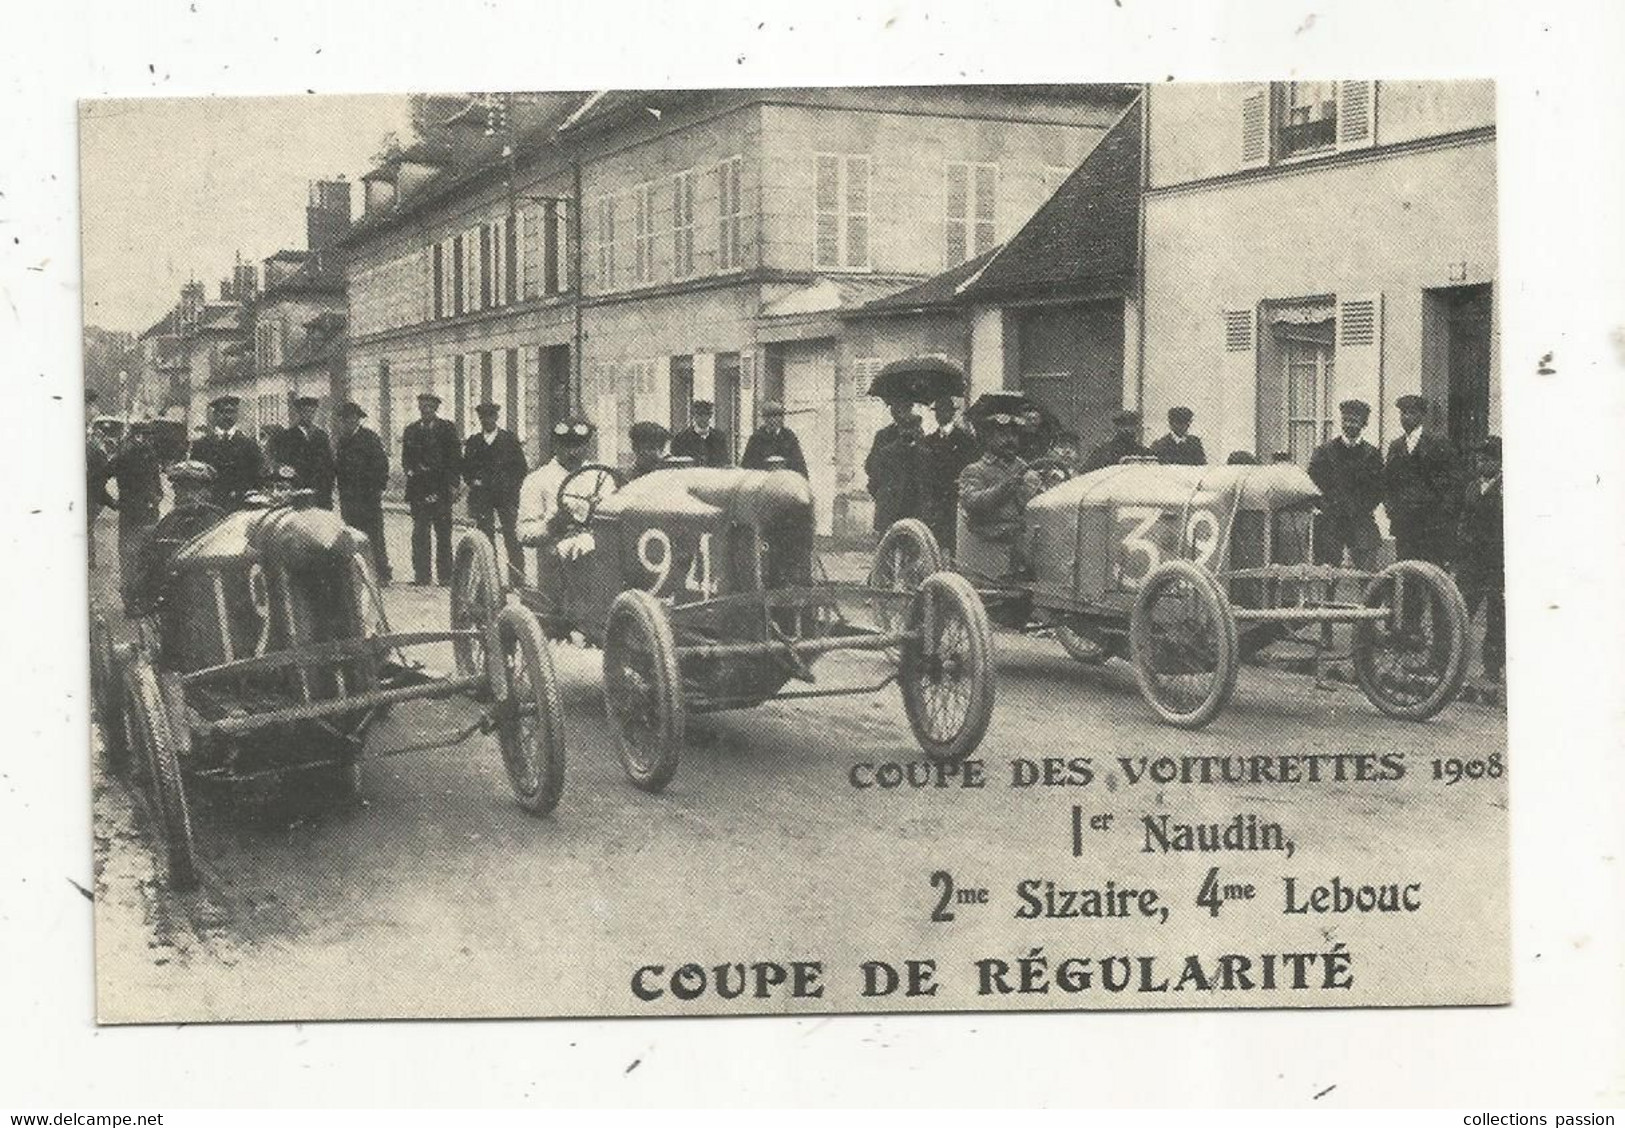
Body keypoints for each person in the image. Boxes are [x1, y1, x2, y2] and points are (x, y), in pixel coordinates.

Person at [129, 460, 223, 618]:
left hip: (216, 602)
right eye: (181, 489)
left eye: (195, 488)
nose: (188, 495)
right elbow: (148, 575)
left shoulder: (222, 524)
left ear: (208, 491)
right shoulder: (164, 528)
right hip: (176, 607)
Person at [958, 413, 1044, 575]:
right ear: (988, 437)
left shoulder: (1028, 470)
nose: (1010, 440)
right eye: (1003, 434)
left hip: (1026, 535)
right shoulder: (975, 470)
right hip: (992, 537)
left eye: (1014, 434)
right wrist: (1004, 488)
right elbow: (972, 502)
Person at [1307, 399, 1384, 570]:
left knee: (1368, 570)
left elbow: (1379, 488)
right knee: (1326, 572)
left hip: (1360, 518)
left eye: (1355, 421)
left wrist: (1362, 507)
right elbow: (1312, 485)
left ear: (1363, 424)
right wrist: (1328, 506)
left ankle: (1368, 596)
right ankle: (1327, 596)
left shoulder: (1372, 454)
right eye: (1346, 420)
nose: (1350, 425)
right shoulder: (1325, 452)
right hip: (1332, 519)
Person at [1384, 393, 1458, 568]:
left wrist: (1444, 513)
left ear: (1421, 416)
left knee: (1431, 571)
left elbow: (1453, 480)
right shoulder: (1396, 446)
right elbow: (1387, 482)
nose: (1406, 418)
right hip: (1404, 523)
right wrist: (1391, 508)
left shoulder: (1438, 443)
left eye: (1411, 413)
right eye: (1403, 413)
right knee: (1406, 570)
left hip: (1431, 523)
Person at [100, 421, 165, 613]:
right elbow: (97, 480)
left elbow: (157, 483)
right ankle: (132, 602)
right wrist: (112, 502)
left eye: (148, 436)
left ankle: (143, 600)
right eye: (144, 435)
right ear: (135, 435)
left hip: (147, 514)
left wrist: (157, 497)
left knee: (146, 556)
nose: (146, 440)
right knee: (131, 557)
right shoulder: (125, 456)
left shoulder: (149, 454)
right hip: (133, 515)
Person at [462, 401, 529, 586]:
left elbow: (521, 468)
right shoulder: (474, 442)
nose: (486, 421)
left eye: (490, 417)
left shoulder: (509, 440)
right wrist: (473, 481)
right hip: (482, 497)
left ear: (496, 418)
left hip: (506, 496)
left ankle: (517, 579)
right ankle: (490, 581)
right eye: (483, 418)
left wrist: (511, 486)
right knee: (485, 539)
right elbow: (466, 468)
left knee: (512, 537)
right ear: (480, 419)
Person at [1456, 436, 1504, 686]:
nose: (1481, 463)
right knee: (1462, 611)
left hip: (1496, 564)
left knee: (1497, 617)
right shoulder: (1472, 487)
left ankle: (1492, 669)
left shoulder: (1507, 489)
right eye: (1479, 459)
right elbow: (1463, 519)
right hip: (1471, 563)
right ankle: (1451, 666)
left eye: (1487, 459)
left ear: (1499, 461)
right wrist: (1463, 544)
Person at [401, 391, 461, 586]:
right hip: (418, 489)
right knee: (419, 533)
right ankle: (422, 576)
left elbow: (455, 459)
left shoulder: (447, 429)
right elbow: (406, 459)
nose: (425, 410)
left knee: (443, 533)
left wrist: (453, 485)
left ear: (436, 408)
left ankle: (445, 576)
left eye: (429, 407)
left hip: (441, 489)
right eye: (422, 407)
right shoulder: (411, 430)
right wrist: (410, 470)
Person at [334, 402, 392, 584]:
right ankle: (358, 573)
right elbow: (339, 468)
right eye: (343, 420)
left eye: (350, 419)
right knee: (352, 534)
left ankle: (382, 573)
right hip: (349, 497)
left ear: (357, 420)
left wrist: (376, 488)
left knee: (374, 535)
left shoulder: (370, 438)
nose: (346, 423)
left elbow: (381, 465)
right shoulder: (342, 441)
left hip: (368, 496)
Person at [919, 396, 979, 552]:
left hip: (955, 498)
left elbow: (971, 468)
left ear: (952, 413)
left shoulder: (965, 440)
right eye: (937, 411)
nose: (940, 415)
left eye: (944, 411)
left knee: (955, 541)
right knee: (935, 541)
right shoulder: (929, 440)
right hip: (936, 500)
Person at [190, 395, 264, 510]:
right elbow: (194, 477)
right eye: (223, 412)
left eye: (232, 412)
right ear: (215, 416)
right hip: (211, 504)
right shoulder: (201, 445)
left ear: (237, 415)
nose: (228, 416)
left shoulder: (249, 445)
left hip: (241, 504)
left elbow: (258, 476)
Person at [864, 397, 926, 533]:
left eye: (904, 408)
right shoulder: (883, 436)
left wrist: (915, 444)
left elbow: (924, 466)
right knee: (887, 549)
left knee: (913, 547)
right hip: (889, 505)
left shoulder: (919, 435)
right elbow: (870, 467)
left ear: (910, 409)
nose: (899, 412)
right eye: (895, 407)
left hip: (912, 504)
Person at [268, 396, 336, 508]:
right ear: (299, 413)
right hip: (297, 493)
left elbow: (329, 465)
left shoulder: (321, 436)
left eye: (312, 412)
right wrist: (288, 476)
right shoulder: (287, 436)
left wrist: (327, 487)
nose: (309, 415)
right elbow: (281, 464)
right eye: (305, 412)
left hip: (320, 493)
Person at [740, 400, 808, 476]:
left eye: (776, 416)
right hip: (763, 481)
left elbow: (799, 463)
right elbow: (746, 465)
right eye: (768, 417)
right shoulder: (756, 438)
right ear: (763, 418)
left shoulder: (788, 436)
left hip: (785, 480)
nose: (772, 420)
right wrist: (765, 465)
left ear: (781, 418)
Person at [1083, 409, 1153, 471]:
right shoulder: (1103, 452)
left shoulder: (1143, 453)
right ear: (1117, 428)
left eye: (1131, 426)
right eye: (1125, 426)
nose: (1129, 430)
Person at [670, 399, 730, 468]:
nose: (704, 418)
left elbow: (724, 461)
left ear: (711, 416)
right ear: (693, 416)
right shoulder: (681, 438)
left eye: (707, 414)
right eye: (699, 414)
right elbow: (675, 464)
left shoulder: (719, 437)